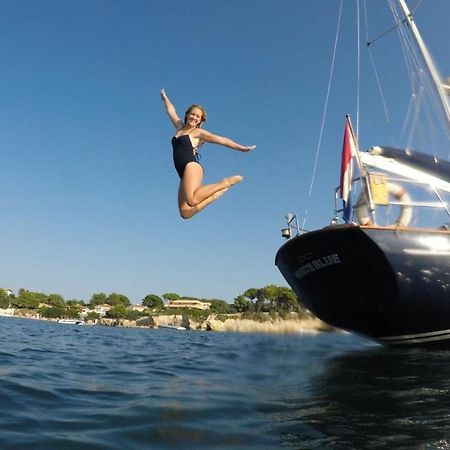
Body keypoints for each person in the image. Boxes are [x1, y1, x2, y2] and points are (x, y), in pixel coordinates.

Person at [161, 89, 256, 219]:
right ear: (187, 114)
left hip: (192, 166)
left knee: (192, 200)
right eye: (192, 114)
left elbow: (222, 140)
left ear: (200, 121)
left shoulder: (198, 133)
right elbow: (171, 111)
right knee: (185, 213)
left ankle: (225, 182)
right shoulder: (179, 127)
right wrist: (165, 98)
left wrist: (241, 148)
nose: (194, 117)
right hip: (183, 173)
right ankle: (214, 195)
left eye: (197, 117)